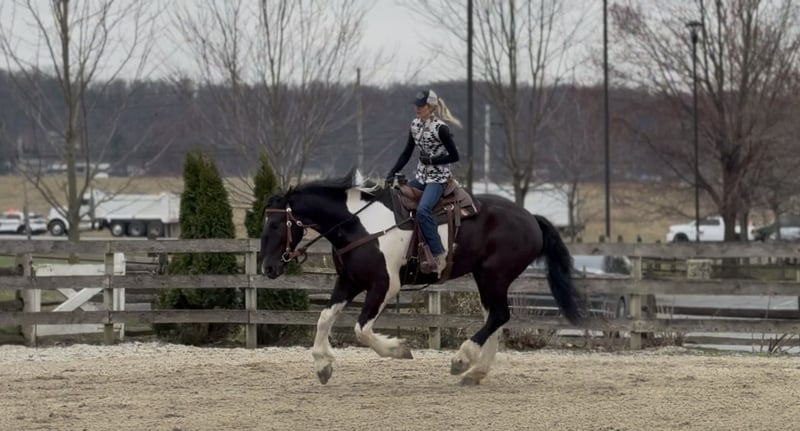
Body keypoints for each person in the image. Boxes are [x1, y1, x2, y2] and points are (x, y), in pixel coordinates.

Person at [386, 89, 461, 274]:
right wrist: (392, 173)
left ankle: (439, 254)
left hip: (438, 179)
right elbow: (406, 153)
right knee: (396, 197)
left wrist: (433, 161)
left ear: (431, 107)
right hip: (421, 177)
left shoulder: (441, 129)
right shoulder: (415, 125)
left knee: (423, 210)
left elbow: (455, 156)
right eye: (417, 105)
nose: (417, 108)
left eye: (422, 106)